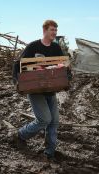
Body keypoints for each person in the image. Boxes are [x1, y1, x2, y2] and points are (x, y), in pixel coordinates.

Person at [12, 20, 66, 161]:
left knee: (54, 122)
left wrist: (66, 75)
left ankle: (50, 152)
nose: (54, 33)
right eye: (52, 30)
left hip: (50, 90)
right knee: (44, 119)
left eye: (56, 30)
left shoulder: (56, 48)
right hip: (35, 90)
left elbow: (64, 66)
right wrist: (17, 82)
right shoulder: (33, 46)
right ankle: (21, 135)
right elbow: (18, 64)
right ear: (44, 30)